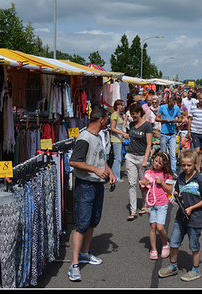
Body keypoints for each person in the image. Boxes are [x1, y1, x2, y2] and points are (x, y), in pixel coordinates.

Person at [68, 106, 115, 282]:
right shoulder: (85, 137)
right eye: (107, 118)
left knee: (93, 220)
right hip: (85, 185)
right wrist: (95, 169)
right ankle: (74, 265)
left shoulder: (98, 136)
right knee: (82, 224)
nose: (108, 121)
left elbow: (101, 159)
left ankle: (85, 253)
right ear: (101, 119)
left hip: (96, 185)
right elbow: (73, 161)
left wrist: (109, 171)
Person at [158, 149, 202, 282]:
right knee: (174, 243)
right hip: (180, 217)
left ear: (194, 164)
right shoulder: (181, 177)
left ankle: (195, 270)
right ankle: (173, 266)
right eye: (183, 165)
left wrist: (192, 208)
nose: (186, 168)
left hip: (195, 219)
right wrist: (176, 196)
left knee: (194, 245)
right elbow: (175, 191)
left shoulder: (200, 179)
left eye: (189, 165)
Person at [139, 151, 175, 260]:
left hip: (162, 203)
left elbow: (170, 190)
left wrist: (162, 183)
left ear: (164, 164)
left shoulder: (167, 175)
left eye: (160, 163)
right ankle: (153, 249)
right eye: (155, 161)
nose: (157, 164)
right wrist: (143, 184)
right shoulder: (148, 173)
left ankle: (165, 244)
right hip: (150, 203)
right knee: (152, 226)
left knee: (160, 227)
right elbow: (144, 188)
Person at [125, 102, 154, 221]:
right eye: (131, 114)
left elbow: (149, 144)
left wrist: (146, 160)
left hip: (142, 157)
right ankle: (133, 210)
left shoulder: (147, 126)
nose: (132, 116)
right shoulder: (131, 124)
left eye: (134, 114)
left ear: (140, 113)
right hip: (130, 156)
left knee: (143, 184)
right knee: (131, 183)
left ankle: (145, 204)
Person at [156, 97, 181, 174]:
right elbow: (157, 118)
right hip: (164, 133)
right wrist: (164, 120)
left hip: (172, 134)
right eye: (170, 105)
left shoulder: (176, 108)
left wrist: (175, 120)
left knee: (173, 154)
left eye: (172, 105)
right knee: (163, 154)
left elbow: (180, 119)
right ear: (167, 103)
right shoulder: (162, 107)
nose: (171, 107)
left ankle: (173, 171)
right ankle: (163, 170)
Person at [109, 99, 129, 183]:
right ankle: (115, 177)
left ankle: (115, 175)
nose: (123, 107)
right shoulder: (114, 115)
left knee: (119, 158)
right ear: (117, 105)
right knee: (117, 158)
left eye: (123, 105)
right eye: (122, 105)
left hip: (119, 138)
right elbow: (113, 128)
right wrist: (122, 133)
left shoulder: (120, 115)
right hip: (115, 139)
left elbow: (120, 127)